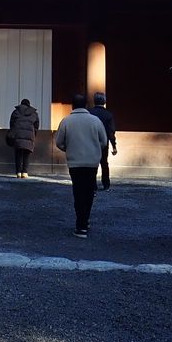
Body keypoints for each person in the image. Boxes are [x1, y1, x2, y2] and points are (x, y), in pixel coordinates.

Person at [54, 93, 108, 238]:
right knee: (89, 192)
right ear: (86, 105)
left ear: (72, 106)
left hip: (75, 163)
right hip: (92, 162)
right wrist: (95, 149)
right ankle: (85, 220)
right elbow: (103, 141)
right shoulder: (95, 121)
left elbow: (59, 142)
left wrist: (69, 148)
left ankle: (81, 225)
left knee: (78, 193)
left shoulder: (66, 121)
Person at [87, 91, 118, 190]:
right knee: (104, 163)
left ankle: (92, 185)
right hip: (103, 143)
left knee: (92, 164)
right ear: (104, 101)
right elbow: (111, 132)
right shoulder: (108, 115)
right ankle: (106, 184)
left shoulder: (89, 113)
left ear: (94, 101)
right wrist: (114, 146)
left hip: (90, 142)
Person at [8, 98, 40, 178]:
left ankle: (18, 172)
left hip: (18, 136)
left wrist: (13, 133)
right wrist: (34, 134)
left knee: (18, 153)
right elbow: (36, 126)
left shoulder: (16, 112)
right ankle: (25, 172)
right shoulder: (34, 114)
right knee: (26, 154)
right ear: (29, 105)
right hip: (29, 136)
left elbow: (12, 124)